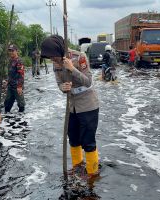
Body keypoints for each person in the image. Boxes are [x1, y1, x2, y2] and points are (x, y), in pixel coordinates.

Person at [41, 35, 100, 179]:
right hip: (71, 106)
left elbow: (88, 82)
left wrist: (72, 69)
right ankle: (77, 167)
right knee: (73, 138)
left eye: (53, 56)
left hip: (87, 105)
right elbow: (59, 83)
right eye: (49, 57)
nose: (52, 60)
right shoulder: (55, 63)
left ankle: (92, 173)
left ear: (59, 49)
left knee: (88, 141)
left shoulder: (79, 56)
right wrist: (63, 87)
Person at [4, 44, 25, 113]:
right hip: (10, 85)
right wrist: (7, 81)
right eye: (10, 51)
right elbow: (10, 73)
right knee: (7, 104)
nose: (11, 52)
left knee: (21, 105)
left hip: (17, 86)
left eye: (12, 51)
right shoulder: (10, 60)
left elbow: (21, 75)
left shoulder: (19, 61)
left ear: (16, 51)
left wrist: (19, 86)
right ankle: (7, 121)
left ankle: (21, 121)